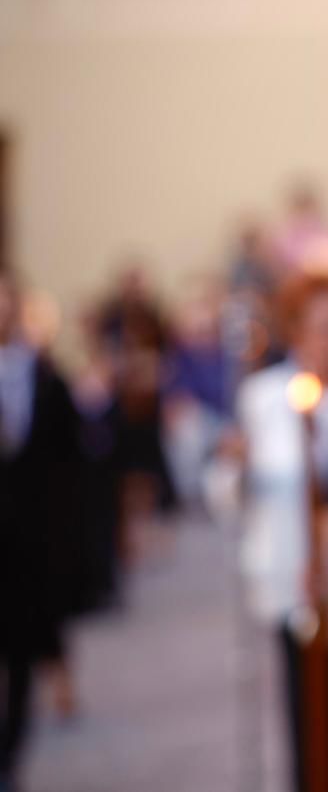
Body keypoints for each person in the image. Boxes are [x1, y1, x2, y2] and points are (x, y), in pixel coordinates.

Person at [235, 273, 328, 792]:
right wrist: (236, 467)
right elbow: (239, 485)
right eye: (320, 328)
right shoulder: (265, 397)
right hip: (293, 570)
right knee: (307, 707)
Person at [0, 269, 83, 792]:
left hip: (29, 538)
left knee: (23, 647)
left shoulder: (45, 377)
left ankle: (10, 754)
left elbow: (67, 458)